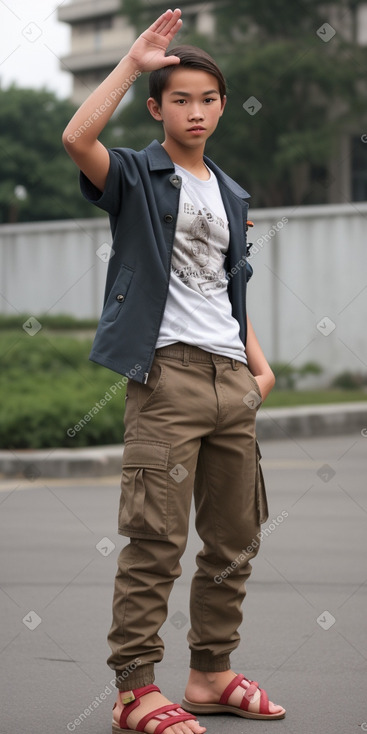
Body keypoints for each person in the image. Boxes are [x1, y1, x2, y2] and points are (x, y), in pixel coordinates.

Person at [62, 8, 285, 733]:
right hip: (166, 377)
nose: (196, 111)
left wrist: (258, 366)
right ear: (157, 108)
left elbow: (226, 283)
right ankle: (134, 692)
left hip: (231, 381)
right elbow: (76, 137)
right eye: (180, 98)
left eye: (208, 98)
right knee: (155, 540)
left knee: (233, 539)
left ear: (221, 106)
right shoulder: (133, 174)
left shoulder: (229, 191)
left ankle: (210, 675)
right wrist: (132, 63)